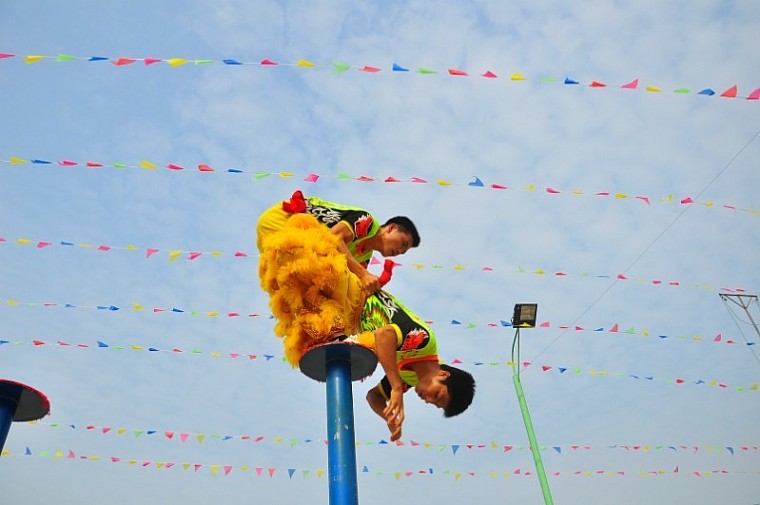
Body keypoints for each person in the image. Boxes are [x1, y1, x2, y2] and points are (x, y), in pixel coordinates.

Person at [347, 290, 476, 442]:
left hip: (348, 311)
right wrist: (396, 388)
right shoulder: (424, 341)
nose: (428, 401)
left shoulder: (409, 379)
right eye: (437, 395)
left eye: (434, 404)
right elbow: (383, 334)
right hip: (355, 289)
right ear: (443, 374)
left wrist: (390, 418)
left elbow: (374, 396)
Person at [256, 190, 420, 293]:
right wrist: (364, 275)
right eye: (403, 244)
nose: (400, 252)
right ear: (391, 228)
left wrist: (371, 288)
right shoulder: (368, 222)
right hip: (282, 221)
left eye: (404, 252)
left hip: (276, 248)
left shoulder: (364, 257)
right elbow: (333, 239)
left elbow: (352, 283)